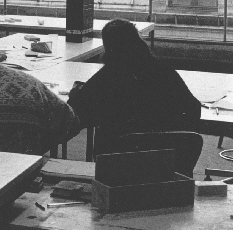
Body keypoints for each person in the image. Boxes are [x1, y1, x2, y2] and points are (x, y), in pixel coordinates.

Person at [67, 19, 201, 151]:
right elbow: (193, 109)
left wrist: (76, 92)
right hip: (164, 162)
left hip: (118, 163)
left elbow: (77, 107)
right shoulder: (164, 71)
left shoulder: (108, 76)